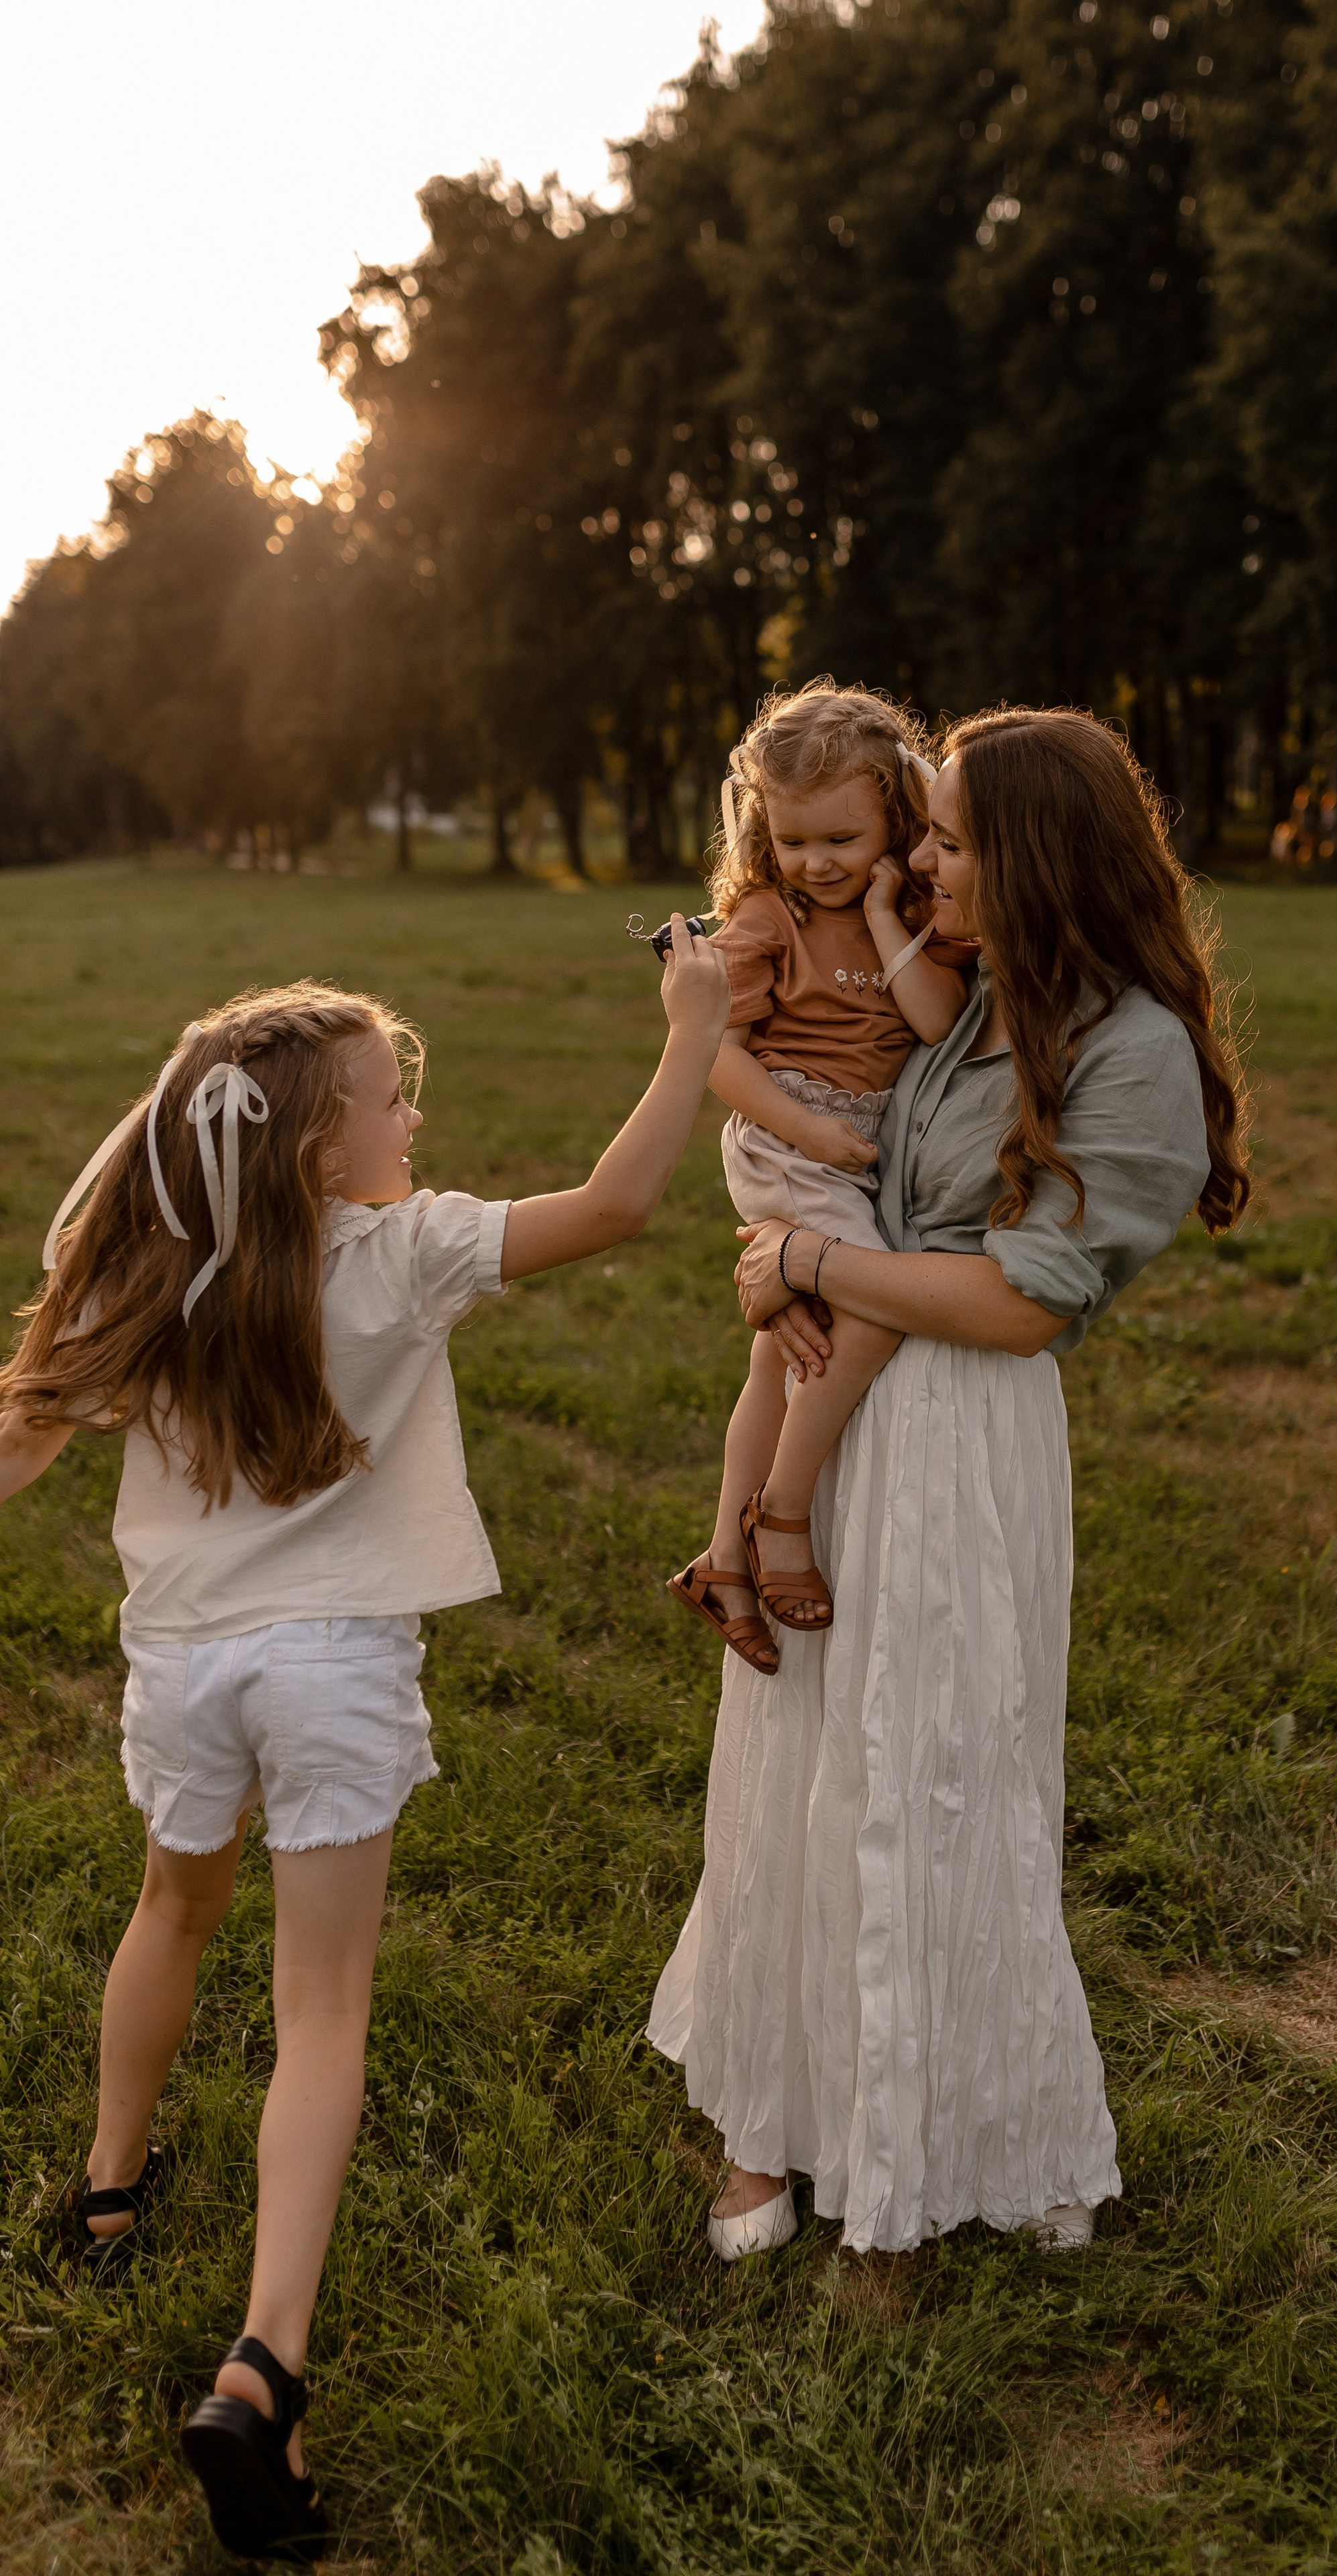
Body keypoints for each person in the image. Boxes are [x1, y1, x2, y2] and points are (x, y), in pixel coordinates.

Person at [0, 932, 728, 2563]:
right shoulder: (405, 1253)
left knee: (171, 1907)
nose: (415, 1125)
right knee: (320, 2009)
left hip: (184, 1664)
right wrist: (687, 1032)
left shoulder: (152, 1262)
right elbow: (613, 1204)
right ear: (326, 1144)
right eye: (396, 1103)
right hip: (331, 1671)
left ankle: (110, 2191)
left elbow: (21, 1433)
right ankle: (264, 2366)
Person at [648, 710, 1249, 2262]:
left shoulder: (1130, 1050)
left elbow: (1022, 1299)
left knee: (941, 1790)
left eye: (949, 841)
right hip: (844, 1414)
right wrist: (779, 1269)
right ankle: (767, 2121)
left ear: (1036, 858)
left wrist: (803, 1259)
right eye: (920, 832)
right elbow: (828, 1181)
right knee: (798, 1776)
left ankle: (946, 2124)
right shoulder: (966, 993)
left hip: (967, 1438)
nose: (916, 863)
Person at [667, 683, 972, 1674]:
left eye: (842, 839)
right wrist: (811, 1130)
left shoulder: (917, 904)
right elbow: (712, 1048)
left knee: (778, 1355)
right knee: (875, 1308)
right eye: (795, 841)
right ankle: (784, 1515)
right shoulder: (768, 915)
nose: (818, 863)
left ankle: (720, 1557)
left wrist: (889, 915)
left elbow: (934, 1020)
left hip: (851, 1142)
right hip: (788, 1139)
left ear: (897, 812)